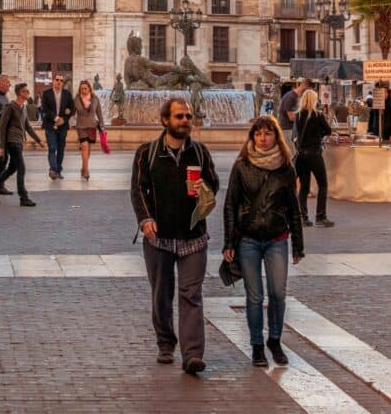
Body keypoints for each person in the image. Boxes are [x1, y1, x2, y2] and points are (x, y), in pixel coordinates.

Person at [130, 98, 219, 375]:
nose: (185, 121)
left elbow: (214, 185)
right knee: (162, 293)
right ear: (165, 120)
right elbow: (137, 190)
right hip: (159, 238)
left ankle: (192, 354)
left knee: (191, 294)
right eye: (179, 116)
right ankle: (165, 342)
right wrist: (146, 219)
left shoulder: (200, 153)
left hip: (193, 236)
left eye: (188, 116)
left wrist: (203, 186)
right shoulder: (148, 153)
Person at [223, 115, 304, 368]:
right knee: (254, 296)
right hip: (248, 239)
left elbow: (294, 207)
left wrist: (298, 245)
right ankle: (257, 345)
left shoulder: (286, 168)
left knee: (278, 294)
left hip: (277, 238)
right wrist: (228, 242)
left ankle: (275, 340)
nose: (263, 138)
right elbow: (230, 205)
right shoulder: (242, 165)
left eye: (268, 133)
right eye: (258, 133)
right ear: (252, 136)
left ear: (276, 136)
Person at [0, 82, 44, 206]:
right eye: (26, 91)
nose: (28, 93)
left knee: (12, 169)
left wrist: (39, 140)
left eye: (28, 91)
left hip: (19, 141)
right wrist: (1, 146)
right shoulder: (10, 107)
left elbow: (28, 127)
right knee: (21, 168)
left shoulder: (23, 108)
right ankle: (23, 197)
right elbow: (2, 127)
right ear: (20, 93)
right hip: (12, 142)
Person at [294, 90, 335, 228]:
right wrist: (319, 134)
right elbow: (328, 131)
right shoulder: (318, 115)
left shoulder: (298, 115)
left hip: (301, 156)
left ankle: (303, 217)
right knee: (322, 184)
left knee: (304, 187)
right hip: (314, 154)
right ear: (313, 100)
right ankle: (320, 216)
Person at [41, 74, 74, 180]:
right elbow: (45, 109)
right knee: (52, 148)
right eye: (57, 80)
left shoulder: (67, 94)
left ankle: (58, 171)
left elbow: (72, 109)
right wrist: (56, 118)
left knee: (61, 149)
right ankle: (53, 170)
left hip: (63, 126)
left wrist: (64, 118)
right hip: (50, 125)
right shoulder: (46, 94)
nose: (59, 82)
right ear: (53, 81)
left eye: (61, 80)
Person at [74, 79, 105, 180]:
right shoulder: (77, 98)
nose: (83, 90)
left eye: (85, 88)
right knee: (84, 147)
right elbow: (72, 111)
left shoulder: (95, 98)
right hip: (81, 126)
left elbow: (99, 113)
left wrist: (102, 126)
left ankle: (83, 167)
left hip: (92, 126)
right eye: (82, 88)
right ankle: (86, 171)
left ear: (89, 89)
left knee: (89, 149)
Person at [277, 78, 307, 145]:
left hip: (290, 129)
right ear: (304, 86)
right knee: (291, 153)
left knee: (293, 152)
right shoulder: (291, 97)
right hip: (287, 129)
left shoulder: (295, 96)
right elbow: (291, 117)